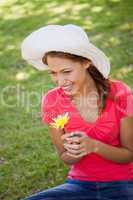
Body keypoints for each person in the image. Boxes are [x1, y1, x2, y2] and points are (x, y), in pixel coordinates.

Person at [21, 24, 133, 200]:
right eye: (53, 73)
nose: (60, 81)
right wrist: (73, 150)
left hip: (123, 183)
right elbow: (65, 158)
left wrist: (93, 145)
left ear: (86, 61)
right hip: (80, 186)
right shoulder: (52, 101)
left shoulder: (120, 92)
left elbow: (128, 155)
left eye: (66, 72)